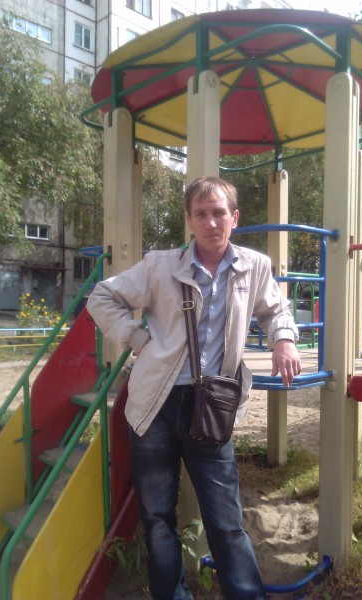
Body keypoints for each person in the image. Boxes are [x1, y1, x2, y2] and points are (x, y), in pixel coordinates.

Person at [87, 176, 302, 600]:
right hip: (155, 404)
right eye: (200, 214)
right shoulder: (160, 266)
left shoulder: (253, 266)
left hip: (212, 406)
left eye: (219, 212)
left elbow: (276, 309)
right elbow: (102, 297)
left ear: (235, 217)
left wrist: (284, 340)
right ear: (189, 220)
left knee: (226, 519)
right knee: (157, 517)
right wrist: (138, 339)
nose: (210, 222)